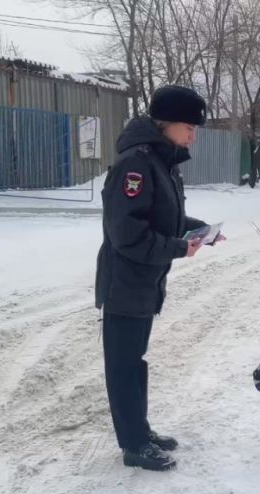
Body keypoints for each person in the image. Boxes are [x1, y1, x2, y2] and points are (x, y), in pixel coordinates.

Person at [95, 85, 217, 472]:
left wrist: (198, 229)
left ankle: (140, 430)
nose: (193, 135)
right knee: (123, 365)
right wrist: (180, 248)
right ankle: (133, 445)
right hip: (125, 282)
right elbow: (128, 235)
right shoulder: (135, 165)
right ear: (167, 124)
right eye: (189, 126)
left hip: (145, 282)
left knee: (136, 361)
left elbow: (163, 220)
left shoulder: (162, 163)